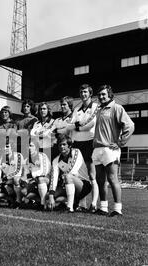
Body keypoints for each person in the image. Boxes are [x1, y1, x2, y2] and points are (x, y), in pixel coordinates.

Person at [92, 85, 134, 217]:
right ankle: (103, 207)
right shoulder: (99, 110)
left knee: (112, 178)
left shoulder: (116, 108)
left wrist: (120, 142)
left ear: (110, 95)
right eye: (99, 94)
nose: (101, 97)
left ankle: (117, 209)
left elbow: (130, 125)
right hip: (97, 149)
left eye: (104, 94)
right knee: (100, 180)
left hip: (110, 149)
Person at [66, 84, 99, 213]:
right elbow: (69, 125)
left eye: (85, 92)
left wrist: (77, 126)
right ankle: (82, 204)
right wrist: (76, 125)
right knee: (79, 175)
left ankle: (94, 203)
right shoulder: (77, 108)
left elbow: (90, 125)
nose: (83, 94)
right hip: (77, 144)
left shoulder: (96, 107)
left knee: (92, 174)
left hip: (90, 142)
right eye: (81, 92)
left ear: (90, 93)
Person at [47, 134, 92, 213]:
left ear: (69, 145)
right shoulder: (56, 160)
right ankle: (72, 202)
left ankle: (69, 208)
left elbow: (73, 171)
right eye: (60, 145)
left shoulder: (76, 152)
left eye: (64, 144)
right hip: (67, 184)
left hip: (83, 184)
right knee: (50, 197)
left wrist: (64, 177)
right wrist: (51, 195)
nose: (62, 147)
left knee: (68, 176)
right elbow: (54, 178)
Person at [21, 140, 51, 210]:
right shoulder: (26, 160)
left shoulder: (42, 156)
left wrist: (30, 176)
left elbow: (44, 172)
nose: (29, 148)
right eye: (28, 146)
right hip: (34, 181)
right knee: (23, 191)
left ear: (36, 147)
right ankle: (33, 200)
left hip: (46, 180)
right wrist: (24, 183)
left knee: (40, 178)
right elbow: (24, 175)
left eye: (31, 146)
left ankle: (42, 204)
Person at [0, 141, 24, 208]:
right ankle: (11, 200)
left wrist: (5, 179)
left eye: (7, 146)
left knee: (16, 179)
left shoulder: (18, 156)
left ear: (12, 147)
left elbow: (18, 172)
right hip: (8, 180)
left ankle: (19, 200)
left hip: (20, 178)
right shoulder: (0, 160)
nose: (5, 148)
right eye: (3, 147)